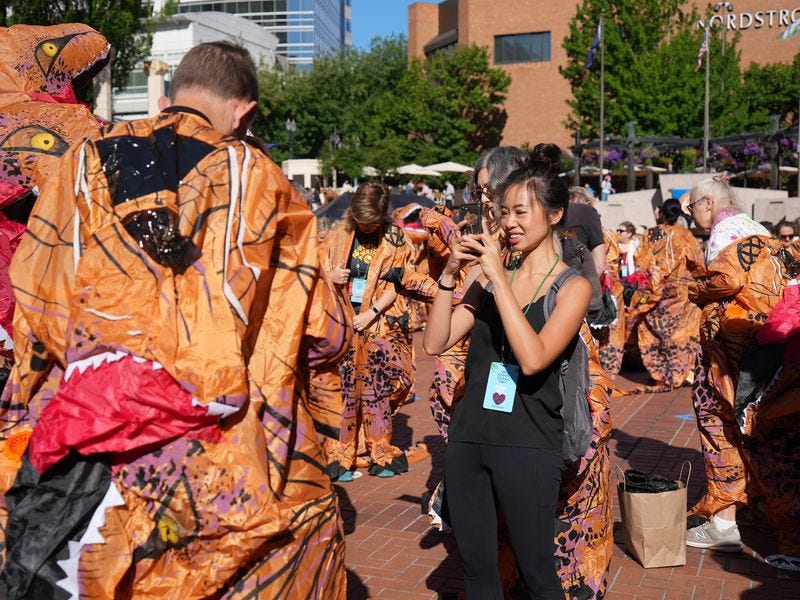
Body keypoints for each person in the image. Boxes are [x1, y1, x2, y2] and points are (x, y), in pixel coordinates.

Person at [0, 42, 349, 597]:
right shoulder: (262, 180)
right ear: (245, 110)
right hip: (224, 459)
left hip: (88, 447)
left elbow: (37, 297)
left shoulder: (81, 164)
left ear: (169, 95)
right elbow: (325, 334)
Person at [424, 144, 591, 598]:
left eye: (521, 212)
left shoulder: (571, 286)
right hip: (470, 436)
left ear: (554, 215)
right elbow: (435, 342)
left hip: (528, 441)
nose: (509, 223)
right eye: (504, 212)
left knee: (537, 572)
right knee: (477, 570)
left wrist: (498, 278)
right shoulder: (484, 277)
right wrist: (449, 276)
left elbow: (534, 357)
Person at [683, 175, 780, 552]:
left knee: (721, 428)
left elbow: (724, 290)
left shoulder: (723, 235)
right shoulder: (756, 227)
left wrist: (697, 291)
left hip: (733, 350)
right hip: (768, 347)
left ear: (708, 203)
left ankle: (724, 522)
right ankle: (754, 507)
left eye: (692, 207)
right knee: (755, 430)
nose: (692, 216)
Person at [321, 182, 415, 480]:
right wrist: (331, 275)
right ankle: (341, 452)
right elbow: (314, 268)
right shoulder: (338, 233)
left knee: (376, 391)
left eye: (371, 221)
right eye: (361, 220)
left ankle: (379, 450)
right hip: (344, 318)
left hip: (379, 322)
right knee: (345, 389)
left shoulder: (396, 238)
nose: (365, 226)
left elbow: (397, 283)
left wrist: (372, 313)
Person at [630, 199, 705, 391]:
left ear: (661, 213)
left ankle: (661, 374)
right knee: (681, 334)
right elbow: (697, 262)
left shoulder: (653, 233)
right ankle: (679, 373)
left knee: (653, 333)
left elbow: (641, 262)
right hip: (680, 293)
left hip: (656, 292)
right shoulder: (684, 234)